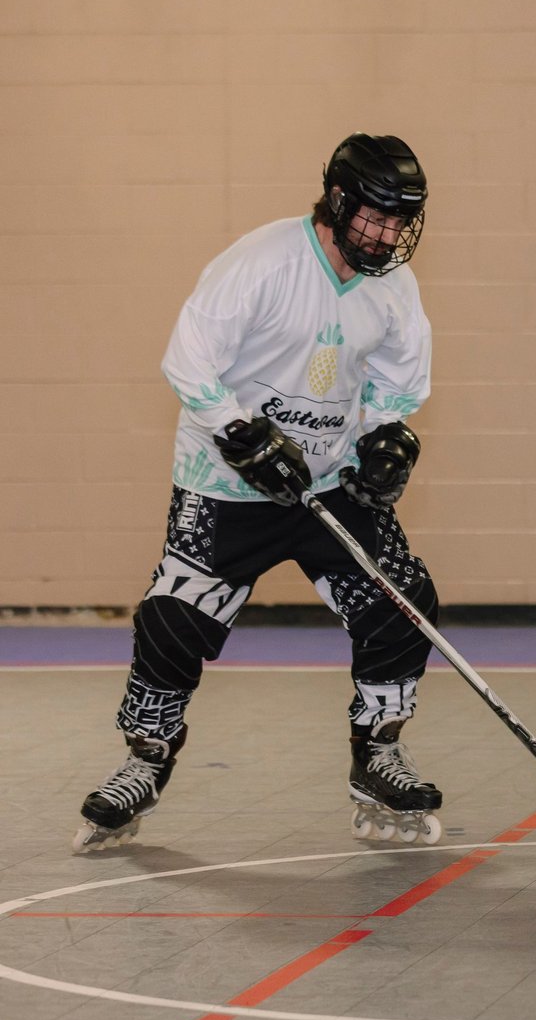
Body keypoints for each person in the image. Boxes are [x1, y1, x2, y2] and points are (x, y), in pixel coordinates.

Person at [75, 134, 442, 852]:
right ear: (339, 202)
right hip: (225, 485)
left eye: (402, 221)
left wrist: (385, 438)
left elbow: (397, 387)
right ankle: (144, 761)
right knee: (173, 620)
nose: (390, 234)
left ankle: (378, 757)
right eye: (378, 216)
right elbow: (188, 359)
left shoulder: (393, 288)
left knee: (403, 603)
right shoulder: (263, 263)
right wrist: (240, 433)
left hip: (330, 485)